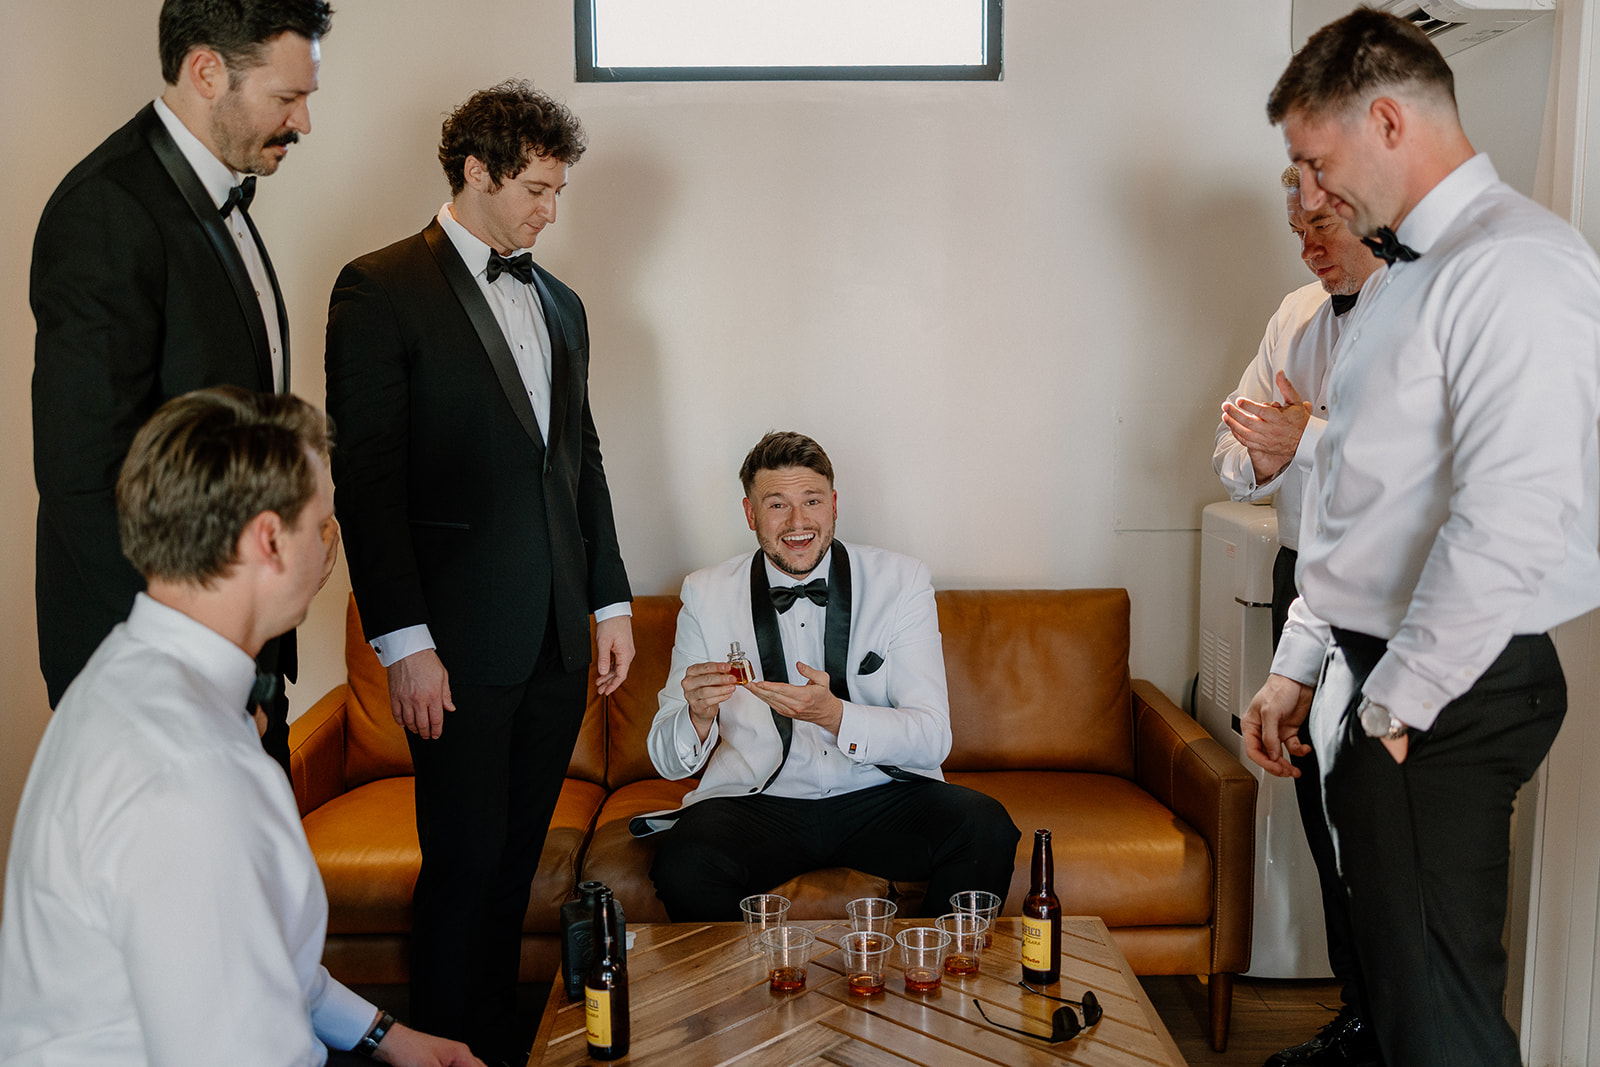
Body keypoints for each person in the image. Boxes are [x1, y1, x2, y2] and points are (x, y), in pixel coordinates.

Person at [1242, 10, 1600, 1067]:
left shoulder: (1518, 266)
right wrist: (1298, 665)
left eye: (1313, 164)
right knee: (1401, 1010)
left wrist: (1394, 709)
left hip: (1444, 690)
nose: (1307, 197)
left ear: (1387, 120)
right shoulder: (1397, 275)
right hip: (1376, 672)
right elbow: (1366, 511)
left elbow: (1510, 517)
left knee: (1439, 1021)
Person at [0, 388, 480, 1067]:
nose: (330, 545)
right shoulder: (192, 774)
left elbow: (255, 952)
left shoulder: (124, 672)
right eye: (323, 524)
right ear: (269, 539)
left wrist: (387, 1035)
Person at [324, 81, 634, 1061]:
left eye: (558, 190)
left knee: (511, 870)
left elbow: (580, 458)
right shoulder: (378, 288)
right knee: (462, 864)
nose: (551, 209)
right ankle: (443, 1047)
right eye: (537, 188)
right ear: (475, 171)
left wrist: (609, 600)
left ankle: (496, 1045)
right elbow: (365, 481)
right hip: (451, 648)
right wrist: (404, 645)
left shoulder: (563, 302)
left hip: (554, 640)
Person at [31, 0, 333, 774]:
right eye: (286, 98)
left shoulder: (217, 193)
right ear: (206, 70)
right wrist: (198, 659)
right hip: (158, 663)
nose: (303, 124)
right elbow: (83, 474)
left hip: (236, 645)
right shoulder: (107, 211)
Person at [635, 431, 1019, 921]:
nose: (798, 522)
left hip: (879, 793)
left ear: (834, 505)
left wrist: (838, 716)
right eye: (777, 505)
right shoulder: (705, 594)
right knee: (684, 860)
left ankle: (933, 981)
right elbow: (667, 761)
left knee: (984, 828)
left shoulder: (902, 582)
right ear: (751, 514)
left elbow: (933, 738)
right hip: (761, 802)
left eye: (812, 501)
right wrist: (697, 714)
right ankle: (748, 994)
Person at [1215, 166, 1380, 1067]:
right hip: (1306, 584)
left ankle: (1400, 1026)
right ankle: (1361, 1015)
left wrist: (1306, 439)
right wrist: (1275, 454)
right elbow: (1230, 451)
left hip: (1390, 608)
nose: (1306, 243)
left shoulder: (1421, 313)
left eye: (1320, 224)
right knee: (1323, 819)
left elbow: (1416, 472)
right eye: (1296, 226)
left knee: (1379, 830)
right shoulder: (1295, 319)